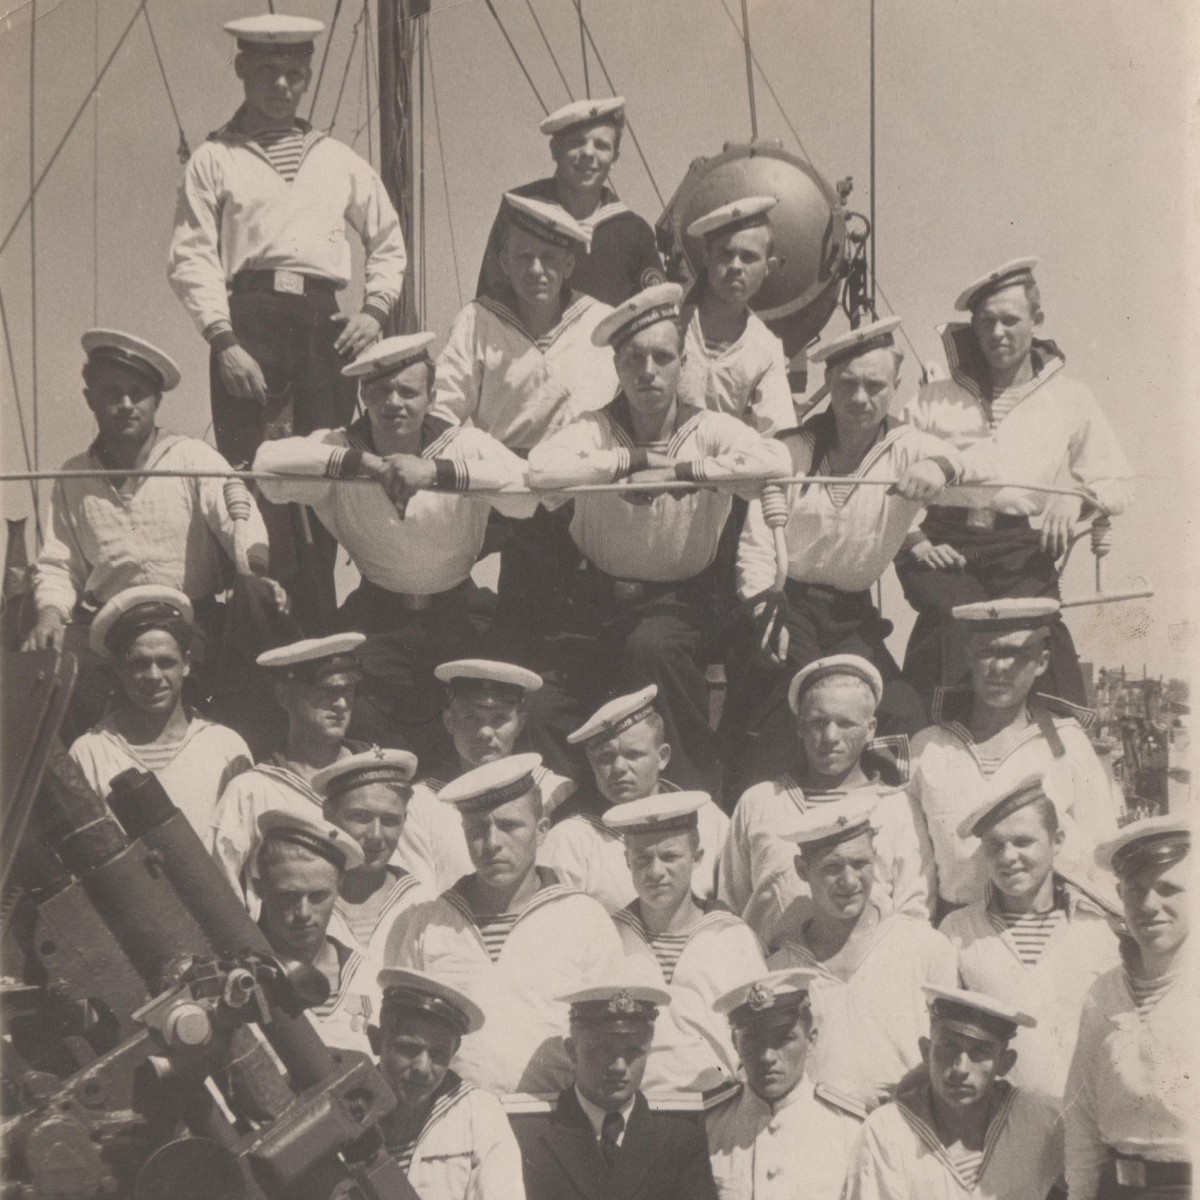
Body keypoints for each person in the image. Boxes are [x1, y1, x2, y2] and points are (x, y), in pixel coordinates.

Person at [168, 13, 407, 629]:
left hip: (322, 325)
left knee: (328, 473)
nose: (282, 86)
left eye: (295, 75)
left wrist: (375, 312)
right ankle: (261, 637)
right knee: (252, 482)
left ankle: (320, 631)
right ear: (243, 69)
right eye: (268, 72)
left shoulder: (337, 158)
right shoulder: (214, 158)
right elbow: (191, 254)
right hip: (246, 323)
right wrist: (223, 342)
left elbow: (387, 240)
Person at [528, 283, 791, 794]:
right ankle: (575, 817)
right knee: (541, 707)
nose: (648, 371)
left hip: (683, 604)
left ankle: (688, 799)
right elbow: (542, 470)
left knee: (651, 650)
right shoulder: (595, 429)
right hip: (596, 604)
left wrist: (680, 471)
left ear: (683, 363)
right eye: (634, 359)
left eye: (662, 357)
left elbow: (776, 461)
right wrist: (633, 463)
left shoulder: (711, 428)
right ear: (617, 367)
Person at [724, 316, 995, 790]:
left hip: (851, 618)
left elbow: (979, 461)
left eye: (874, 386)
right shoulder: (790, 451)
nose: (860, 399)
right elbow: (755, 548)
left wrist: (940, 465)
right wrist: (765, 607)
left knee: (899, 713)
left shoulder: (907, 446)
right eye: (847, 384)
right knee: (806, 711)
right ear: (828, 383)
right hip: (786, 608)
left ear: (895, 387)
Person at [252, 333, 536, 764]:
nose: (395, 402)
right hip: (379, 614)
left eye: (408, 391)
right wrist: (363, 465)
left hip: (457, 611)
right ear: (363, 394)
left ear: (432, 395)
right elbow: (267, 468)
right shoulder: (340, 446)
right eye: (381, 391)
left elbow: (527, 494)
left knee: (479, 721)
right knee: (359, 720)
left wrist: (435, 473)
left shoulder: (461, 444)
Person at [897, 258, 1133, 707]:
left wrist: (1080, 501)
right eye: (987, 322)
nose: (998, 333)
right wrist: (913, 540)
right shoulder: (934, 396)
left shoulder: (1070, 399)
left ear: (1037, 321)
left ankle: (1052, 750)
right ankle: (944, 737)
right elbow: (891, 474)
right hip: (941, 541)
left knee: (1039, 630)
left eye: (1011, 320)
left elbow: (1117, 480)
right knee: (961, 621)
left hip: (1017, 545)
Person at [23, 331, 283, 697]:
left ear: (157, 400)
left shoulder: (191, 456)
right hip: (110, 630)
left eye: (138, 393)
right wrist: (50, 613)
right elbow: (58, 565)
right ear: (90, 399)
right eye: (112, 394)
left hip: (190, 623)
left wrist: (255, 572)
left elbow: (239, 521)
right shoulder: (74, 476)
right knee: (49, 666)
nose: (127, 404)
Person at [433, 194, 619, 638]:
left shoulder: (602, 323)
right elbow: (442, 414)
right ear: (503, 261)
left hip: (582, 488)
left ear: (570, 265)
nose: (537, 270)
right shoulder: (477, 320)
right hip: (500, 484)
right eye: (524, 257)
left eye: (551, 258)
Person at [385, 754, 622, 1094]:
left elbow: (606, 1034)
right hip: (453, 1118)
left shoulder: (584, 918)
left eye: (510, 826)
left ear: (541, 831)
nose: (492, 843)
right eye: (477, 829)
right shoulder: (427, 923)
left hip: (553, 1117)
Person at [907, 599, 1123, 917]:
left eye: (1015, 654)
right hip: (956, 937)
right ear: (968, 655)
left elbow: (1101, 858)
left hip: (1054, 932)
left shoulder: (1067, 743)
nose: (999, 668)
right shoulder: (928, 748)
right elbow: (914, 872)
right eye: (986, 652)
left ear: (1041, 662)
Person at [719, 656, 935, 949]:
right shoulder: (760, 803)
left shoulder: (897, 808)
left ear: (871, 728)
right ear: (799, 726)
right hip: (774, 980)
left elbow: (914, 916)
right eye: (818, 722)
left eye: (846, 723)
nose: (830, 737)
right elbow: (730, 913)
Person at [941, 774, 1122, 1108]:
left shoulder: (1101, 929)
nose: (1009, 857)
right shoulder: (958, 932)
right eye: (995, 846)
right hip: (1000, 1126)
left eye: (1023, 842)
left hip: (1095, 1118)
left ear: (1057, 841)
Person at [768, 799, 957, 1111]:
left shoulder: (926, 948)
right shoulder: (780, 971)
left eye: (860, 864)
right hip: (820, 1141)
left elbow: (953, 1050)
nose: (849, 881)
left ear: (876, 859)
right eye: (831, 868)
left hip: (908, 1132)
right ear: (802, 870)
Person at [1064, 816, 1195, 1199]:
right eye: (1135, 891)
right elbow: (1082, 1117)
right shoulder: (1102, 995)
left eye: (1169, 889)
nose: (1149, 905)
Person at [606, 792, 766, 1093]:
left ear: (697, 857)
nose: (655, 872)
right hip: (634, 1112)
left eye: (670, 856)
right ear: (626, 861)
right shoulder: (607, 937)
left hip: (717, 1107)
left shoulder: (732, 937)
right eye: (642, 858)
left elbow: (757, 1031)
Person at [513, 972, 719, 1200]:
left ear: (648, 1050)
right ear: (572, 1051)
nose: (619, 1066)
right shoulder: (529, 1135)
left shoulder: (679, 1136)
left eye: (633, 1051)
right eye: (603, 1050)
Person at [846, 986, 1063, 1200]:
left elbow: (1090, 1165)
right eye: (948, 1047)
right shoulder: (888, 1130)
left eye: (980, 1052)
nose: (960, 1068)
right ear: (926, 1051)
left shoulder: (1037, 1117)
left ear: (1005, 1064)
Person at [69, 586, 251, 839]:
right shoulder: (90, 753)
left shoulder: (226, 746)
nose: (154, 676)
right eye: (139, 664)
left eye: (166, 662)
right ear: (119, 668)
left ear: (186, 664)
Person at [396, 659, 576, 894]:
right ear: (449, 721)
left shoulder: (554, 791)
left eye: (500, 719)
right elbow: (418, 894)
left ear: (520, 724)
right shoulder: (421, 801)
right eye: (471, 718)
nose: (485, 732)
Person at [541, 687, 729, 910]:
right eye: (606, 758)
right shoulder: (570, 840)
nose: (619, 768)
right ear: (591, 764)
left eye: (633, 754)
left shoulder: (707, 817)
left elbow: (731, 912)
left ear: (663, 757)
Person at [210, 633, 366, 900]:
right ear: (284, 696)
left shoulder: (372, 772)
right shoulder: (253, 790)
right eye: (326, 691)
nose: (341, 704)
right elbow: (220, 888)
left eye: (347, 690)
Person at [475, 96, 664, 308]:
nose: (588, 154)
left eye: (601, 146)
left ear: (615, 158)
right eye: (576, 142)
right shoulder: (520, 210)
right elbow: (490, 299)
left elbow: (658, 312)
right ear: (555, 150)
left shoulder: (633, 231)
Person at [706, 968, 865, 1200]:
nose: (767, 1056)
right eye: (753, 1040)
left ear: (811, 1040)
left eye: (783, 1039)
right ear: (735, 1043)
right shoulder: (710, 1127)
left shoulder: (849, 1130)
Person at [371, 968, 526, 1199]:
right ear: (376, 1041)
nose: (422, 1068)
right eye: (408, 1049)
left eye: (438, 1054)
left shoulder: (479, 1114)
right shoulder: (346, 1111)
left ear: (455, 1052)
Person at [254, 809, 376, 1055]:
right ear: (260, 889)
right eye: (289, 897)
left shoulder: (367, 977)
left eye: (318, 896)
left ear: (339, 887)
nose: (303, 912)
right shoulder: (242, 979)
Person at [677, 197, 795, 436]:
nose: (736, 266)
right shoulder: (671, 324)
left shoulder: (766, 348)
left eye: (749, 257)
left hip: (726, 467)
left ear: (768, 267)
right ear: (706, 257)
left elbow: (778, 434)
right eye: (725, 254)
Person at [315, 747, 431, 961]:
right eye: (360, 816)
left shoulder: (423, 904)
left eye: (389, 821)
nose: (376, 835)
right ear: (328, 813)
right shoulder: (306, 898)